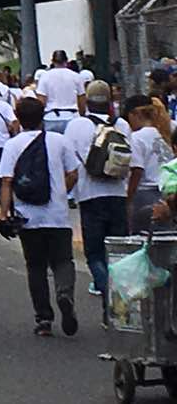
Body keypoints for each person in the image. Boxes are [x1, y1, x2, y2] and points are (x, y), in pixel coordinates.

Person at [0, 98, 80, 337]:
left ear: (18, 117)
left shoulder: (12, 145)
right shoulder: (60, 141)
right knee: (63, 260)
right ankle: (64, 293)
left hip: (27, 216)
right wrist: (61, 191)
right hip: (57, 215)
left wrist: (3, 214)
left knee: (35, 266)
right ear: (43, 114)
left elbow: (6, 181)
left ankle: (44, 318)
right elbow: (73, 172)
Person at [65, 80, 130, 315]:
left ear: (87, 101)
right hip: (118, 196)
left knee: (94, 254)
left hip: (90, 196)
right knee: (117, 254)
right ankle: (118, 303)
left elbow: (71, 162)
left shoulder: (76, 126)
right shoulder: (122, 124)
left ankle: (107, 297)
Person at [125, 94, 173, 231]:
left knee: (144, 237)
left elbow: (137, 170)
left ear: (134, 114)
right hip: (166, 192)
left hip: (146, 193)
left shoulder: (137, 138)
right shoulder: (164, 135)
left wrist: (129, 199)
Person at [36, 50, 86, 134]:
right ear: (66, 61)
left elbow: (41, 101)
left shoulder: (45, 77)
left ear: (52, 61)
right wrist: (82, 114)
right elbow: (81, 99)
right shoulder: (76, 76)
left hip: (51, 117)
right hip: (72, 116)